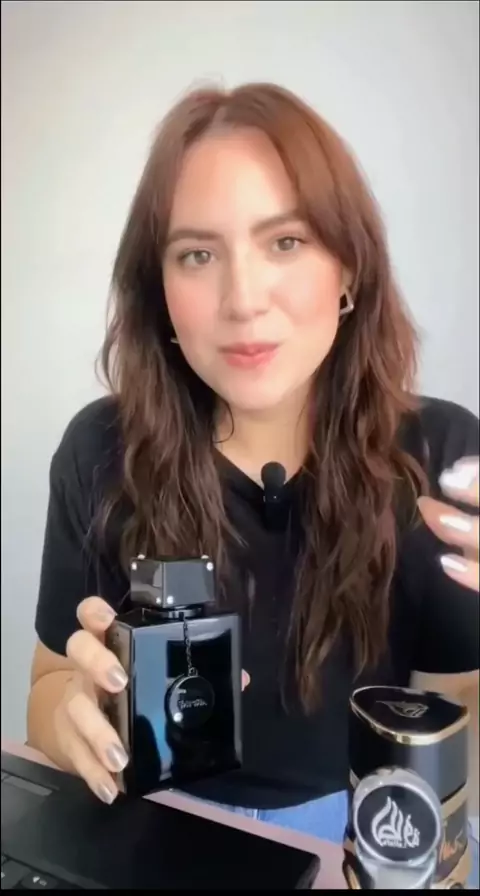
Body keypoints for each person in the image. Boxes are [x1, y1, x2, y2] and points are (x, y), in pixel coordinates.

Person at [27, 83, 479, 879]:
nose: (242, 300)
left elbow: (450, 732)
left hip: (375, 830)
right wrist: (74, 717)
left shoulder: (444, 458)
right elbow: (49, 686)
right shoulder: (99, 451)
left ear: (348, 269)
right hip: (157, 827)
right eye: (197, 255)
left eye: (287, 241)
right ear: (159, 291)